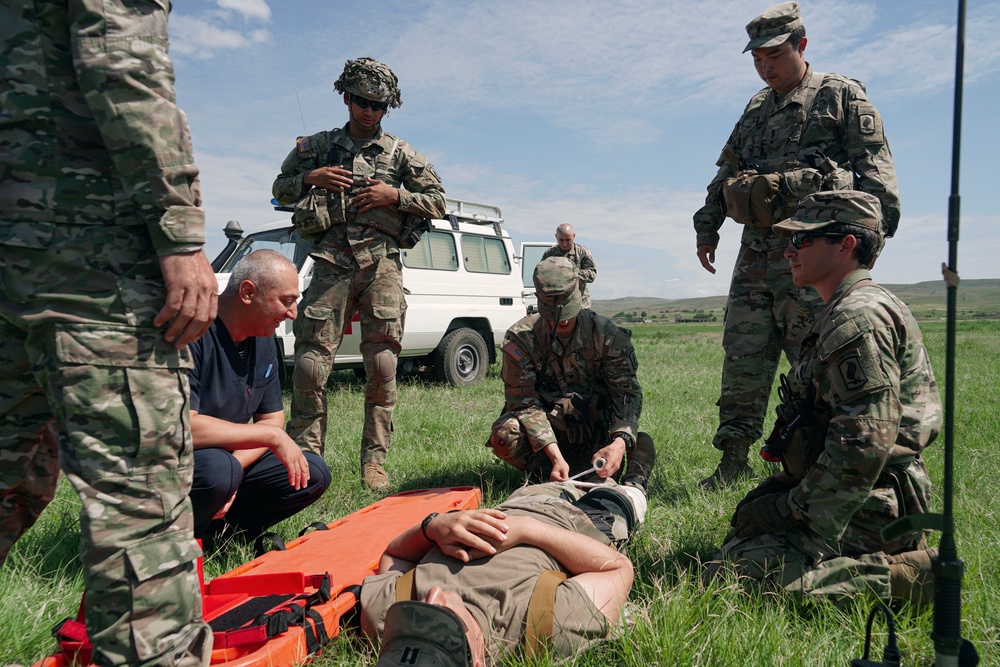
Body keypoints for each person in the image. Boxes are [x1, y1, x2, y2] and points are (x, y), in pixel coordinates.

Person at [0, 1, 216, 664]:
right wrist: (180, 233)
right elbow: (120, 61)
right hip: (88, 260)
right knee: (140, 524)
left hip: (17, 252)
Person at [693, 1, 900, 490]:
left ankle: (833, 460)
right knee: (743, 356)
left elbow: (877, 179)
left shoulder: (840, 96)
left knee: (818, 359)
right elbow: (726, 173)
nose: (765, 66)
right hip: (756, 256)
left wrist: (865, 250)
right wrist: (707, 225)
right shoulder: (755, 108)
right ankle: (732, 462)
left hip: (818, 254)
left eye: (774, 55)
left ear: (801, 46)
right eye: (757, 59)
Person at [703, 191, 940, 604]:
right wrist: (783, 484)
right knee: (739, 542)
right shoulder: (841, 309)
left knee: (737, 574)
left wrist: (792, 507)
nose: (789, 251)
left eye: (804, 239)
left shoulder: (857, 318)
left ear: (847, 245)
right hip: (855, 489)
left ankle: (909, 578)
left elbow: (864, 443)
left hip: (872, 497)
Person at [272, 57, 446, 492]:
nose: (369, 111)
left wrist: (397, 195)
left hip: (381, 265)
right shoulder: (316, 146)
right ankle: (308, 461)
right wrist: (310, 176)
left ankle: (374, 463)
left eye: (379, 105)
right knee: (311, 365)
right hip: (331, 262)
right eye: (363, 101)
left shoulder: (402, 154)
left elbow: (439, 201)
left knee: (383, 365)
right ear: (346, 97)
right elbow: (280, 188)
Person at [359, 477, 651, 666]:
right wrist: (526, 530)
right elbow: (618, 568)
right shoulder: (546, 626)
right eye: (440, 621)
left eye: (415, 619)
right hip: (582, 522)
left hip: (518, 501)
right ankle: (636, 476)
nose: (432, 596)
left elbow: (395, 553)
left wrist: (432, 527)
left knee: (566, 476)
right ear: (477, 661)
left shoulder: (386, 617)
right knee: (622, 492)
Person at [188, 250, 331, 546]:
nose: (292, 314)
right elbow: (183, 427)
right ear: (248, 292)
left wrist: (238, 468)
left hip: (229, 464)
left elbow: (272, 418)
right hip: (182, 463)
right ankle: (180, 540)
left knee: (312, 472)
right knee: (219, 469)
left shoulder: (264, 337)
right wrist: (269, 437)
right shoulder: (192, 332)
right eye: (286, 301)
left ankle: (225, 535)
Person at [487, 257, 655, 487]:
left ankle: (621, 469)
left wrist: (620, 441)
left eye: (566, 306)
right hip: (550, 433)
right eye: (551, 304)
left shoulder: (606, 334)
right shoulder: (521, 338)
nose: (562, 320)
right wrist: (555, 457)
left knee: (635, 443)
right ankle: (556, 475)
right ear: (538, 298)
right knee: (505, 434)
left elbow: (626, 394)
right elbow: (524, 403)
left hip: (597, 428)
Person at [541, 223, 597, 309]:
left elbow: (592, 275)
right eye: (561, 240)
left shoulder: (583, 252)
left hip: (580, 303)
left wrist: (571, 273)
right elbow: (542, 275)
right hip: (556, 303)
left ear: (574, 236)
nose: (564, 244)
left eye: (568, 240)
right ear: (556, 237)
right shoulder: (549, 254)